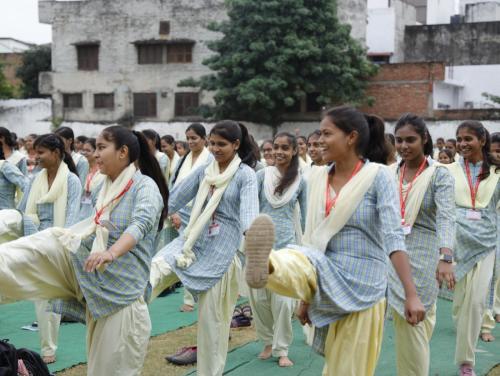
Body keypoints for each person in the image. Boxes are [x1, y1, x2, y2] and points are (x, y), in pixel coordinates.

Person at [244, 106, 425, 376]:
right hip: (320, 271)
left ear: (351, 137)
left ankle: (271, 265)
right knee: (298, 256)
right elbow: (311, 238)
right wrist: (306, 299)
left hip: (363, 285)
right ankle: (267, 265)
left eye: (327, 135)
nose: (319, 142)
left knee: (346, 369)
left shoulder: (378, 176)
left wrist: (411, 294)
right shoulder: (316, 176)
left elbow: (393, 236)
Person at [0, 126, 168, 376]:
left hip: (123, 301)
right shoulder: (104, 188)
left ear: (123, 152)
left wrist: (111, 253)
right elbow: (87, 224)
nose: (94, 154)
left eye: (101, 148)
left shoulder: (145, 187)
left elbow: (140, 224)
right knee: (34, 244)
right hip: (97, 285)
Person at [150, 120, 259, 376]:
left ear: (236, 145)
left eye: (221, 144)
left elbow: (249, 214)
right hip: (192, 243)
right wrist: (144, 220)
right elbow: (174, 199)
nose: (215, 149)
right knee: (151, 273)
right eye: (212, 143)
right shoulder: (205, 172)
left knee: (213, 326)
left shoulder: (245, 175)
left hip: (223, 254)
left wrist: (252, 235)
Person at [389, 113, 456, 376]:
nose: (404, 146)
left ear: (424, 139)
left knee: (418, 320)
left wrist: (446, 256)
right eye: (399, 140)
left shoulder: (439, 175)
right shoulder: (390, 172)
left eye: (410, 140)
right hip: (394, 253)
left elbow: (447, 217)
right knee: (408, 325)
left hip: (426, 252)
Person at [8, 134, 82, 364]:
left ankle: (50, 349)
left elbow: (71, 220)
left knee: (52, 297)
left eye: (40, 153)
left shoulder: (72, 181)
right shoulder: (35, 179)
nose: (35, 157)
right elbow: (22, 210)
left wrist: (55, 242)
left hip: (59, 242)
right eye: (34, 152)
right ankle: (47, 347)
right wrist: (31, 227)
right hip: (34, 239)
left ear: (56, 153)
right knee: (40, 295)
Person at [249, 132, 307, 368]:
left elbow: (305, 219)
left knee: (283, 302)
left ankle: (282, 349)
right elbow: (250, 208)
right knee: (259, 300)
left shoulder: (301, 181)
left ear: (294, 151)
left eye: (285, 148)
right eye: (276, 148)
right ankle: (267, 342)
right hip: (259, 247)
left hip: (287, 249)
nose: (279, 152)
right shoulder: (261, 176)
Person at [448, 121, 499, 376]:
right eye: (459, 139)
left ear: (482, 139)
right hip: (456, 242)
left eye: (468, 138)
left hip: (486, 243)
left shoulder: (497, 172)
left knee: (477, 302)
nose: (462, 144)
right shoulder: (446, 171)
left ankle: (466, 363)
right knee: (460, 304)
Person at [167, 124, 213, 312]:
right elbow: (173, 186)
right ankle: (188, 298)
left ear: (204, 139)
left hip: (203, 214)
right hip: (181, 213)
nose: (191, 141)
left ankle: (202, 294)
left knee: (201, 254)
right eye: (188, 138)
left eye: (195, 138)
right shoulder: (183, 159)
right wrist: (173, 212)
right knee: (184, 253)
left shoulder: (211, 159)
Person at [479, 131, 500, 342]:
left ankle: (487, 324)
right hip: (478, 233)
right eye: (495, 151)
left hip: (495, 231)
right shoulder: (480, 173)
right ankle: (471, 321)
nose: (498, 155)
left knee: (494, 276)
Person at [79, 138, 104, 220]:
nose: (84, 153)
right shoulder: (82, 168)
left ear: (95, 152)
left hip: (95, 206)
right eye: (83, 150)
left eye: (88, 150)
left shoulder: (102, 170)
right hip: (82, 205)